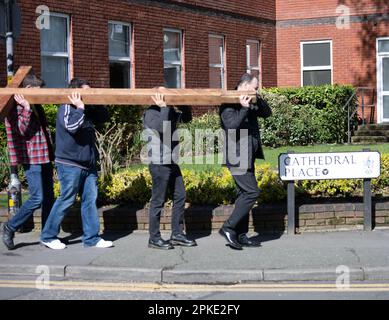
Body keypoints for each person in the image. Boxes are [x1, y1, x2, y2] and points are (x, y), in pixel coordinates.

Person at [40, 78, 113, 250]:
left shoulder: (87, 109)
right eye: (86, 91)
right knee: (66, 199)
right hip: (69, 164)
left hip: (88, 165)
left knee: (90, 201)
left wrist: (96, 102)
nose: (88, 94)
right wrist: (79, 107)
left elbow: (104, 117)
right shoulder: (66, 107)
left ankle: (92, 238)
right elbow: (72, 127)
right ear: (75, 92)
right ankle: (48, 236)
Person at [219, 73, 272, 250]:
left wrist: (257, 98)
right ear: (244, 86)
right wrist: (243, 108)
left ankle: (240, 235)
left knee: (243, 194)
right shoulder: (228, 103)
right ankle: (228, 227)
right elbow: (232, 126)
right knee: (252, 193)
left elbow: (267, 113)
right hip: (237, 155)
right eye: (255, 88)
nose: (257, 90)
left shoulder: (251, 101)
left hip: (247, 155)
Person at [2, 74, 55, 250]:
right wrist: (26, 107)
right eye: (38, 92)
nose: (41, 95)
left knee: (48, 197)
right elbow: (22, 130)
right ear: (28, 90)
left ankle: (47, 236)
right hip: (31, 158)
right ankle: (10, 226)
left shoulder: (34, 104)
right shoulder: (15, 107)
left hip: (44, 156)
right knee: (37, 197)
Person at [143, 89, 196, 250]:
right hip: (159, 162)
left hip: (171, 161)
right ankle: (154, 238)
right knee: (158, 201)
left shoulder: (169, 109)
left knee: (180, 195)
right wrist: (164, 106)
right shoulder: (151, 112)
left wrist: (184, 106)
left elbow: (185, 119)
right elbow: (161, 128)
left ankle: (177, 234)